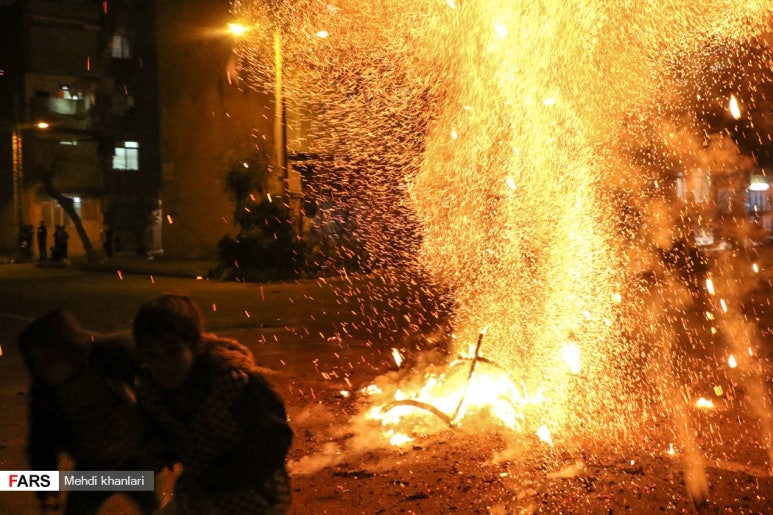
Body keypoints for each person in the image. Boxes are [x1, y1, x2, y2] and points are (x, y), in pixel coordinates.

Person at [132, 294, 293, 514]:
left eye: (173, 351)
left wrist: (211, 482)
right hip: (200, 495)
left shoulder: (235, 382)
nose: (163, 364)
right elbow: (170, 437)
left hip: (256, 494)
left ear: (197, 345)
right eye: (151, 355)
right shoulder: (154, 390)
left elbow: (273, 443)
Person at [17, 309, 162, 515]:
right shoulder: (45, 393)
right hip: (94, 464)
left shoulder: (110, 355)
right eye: (36, 362)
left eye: (49, 359)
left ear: (69, 350)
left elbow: (155, 382)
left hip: (136, 458)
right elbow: (41, 442)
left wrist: (160, 442)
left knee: (153, 508)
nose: (43, 368)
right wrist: (46, 490)